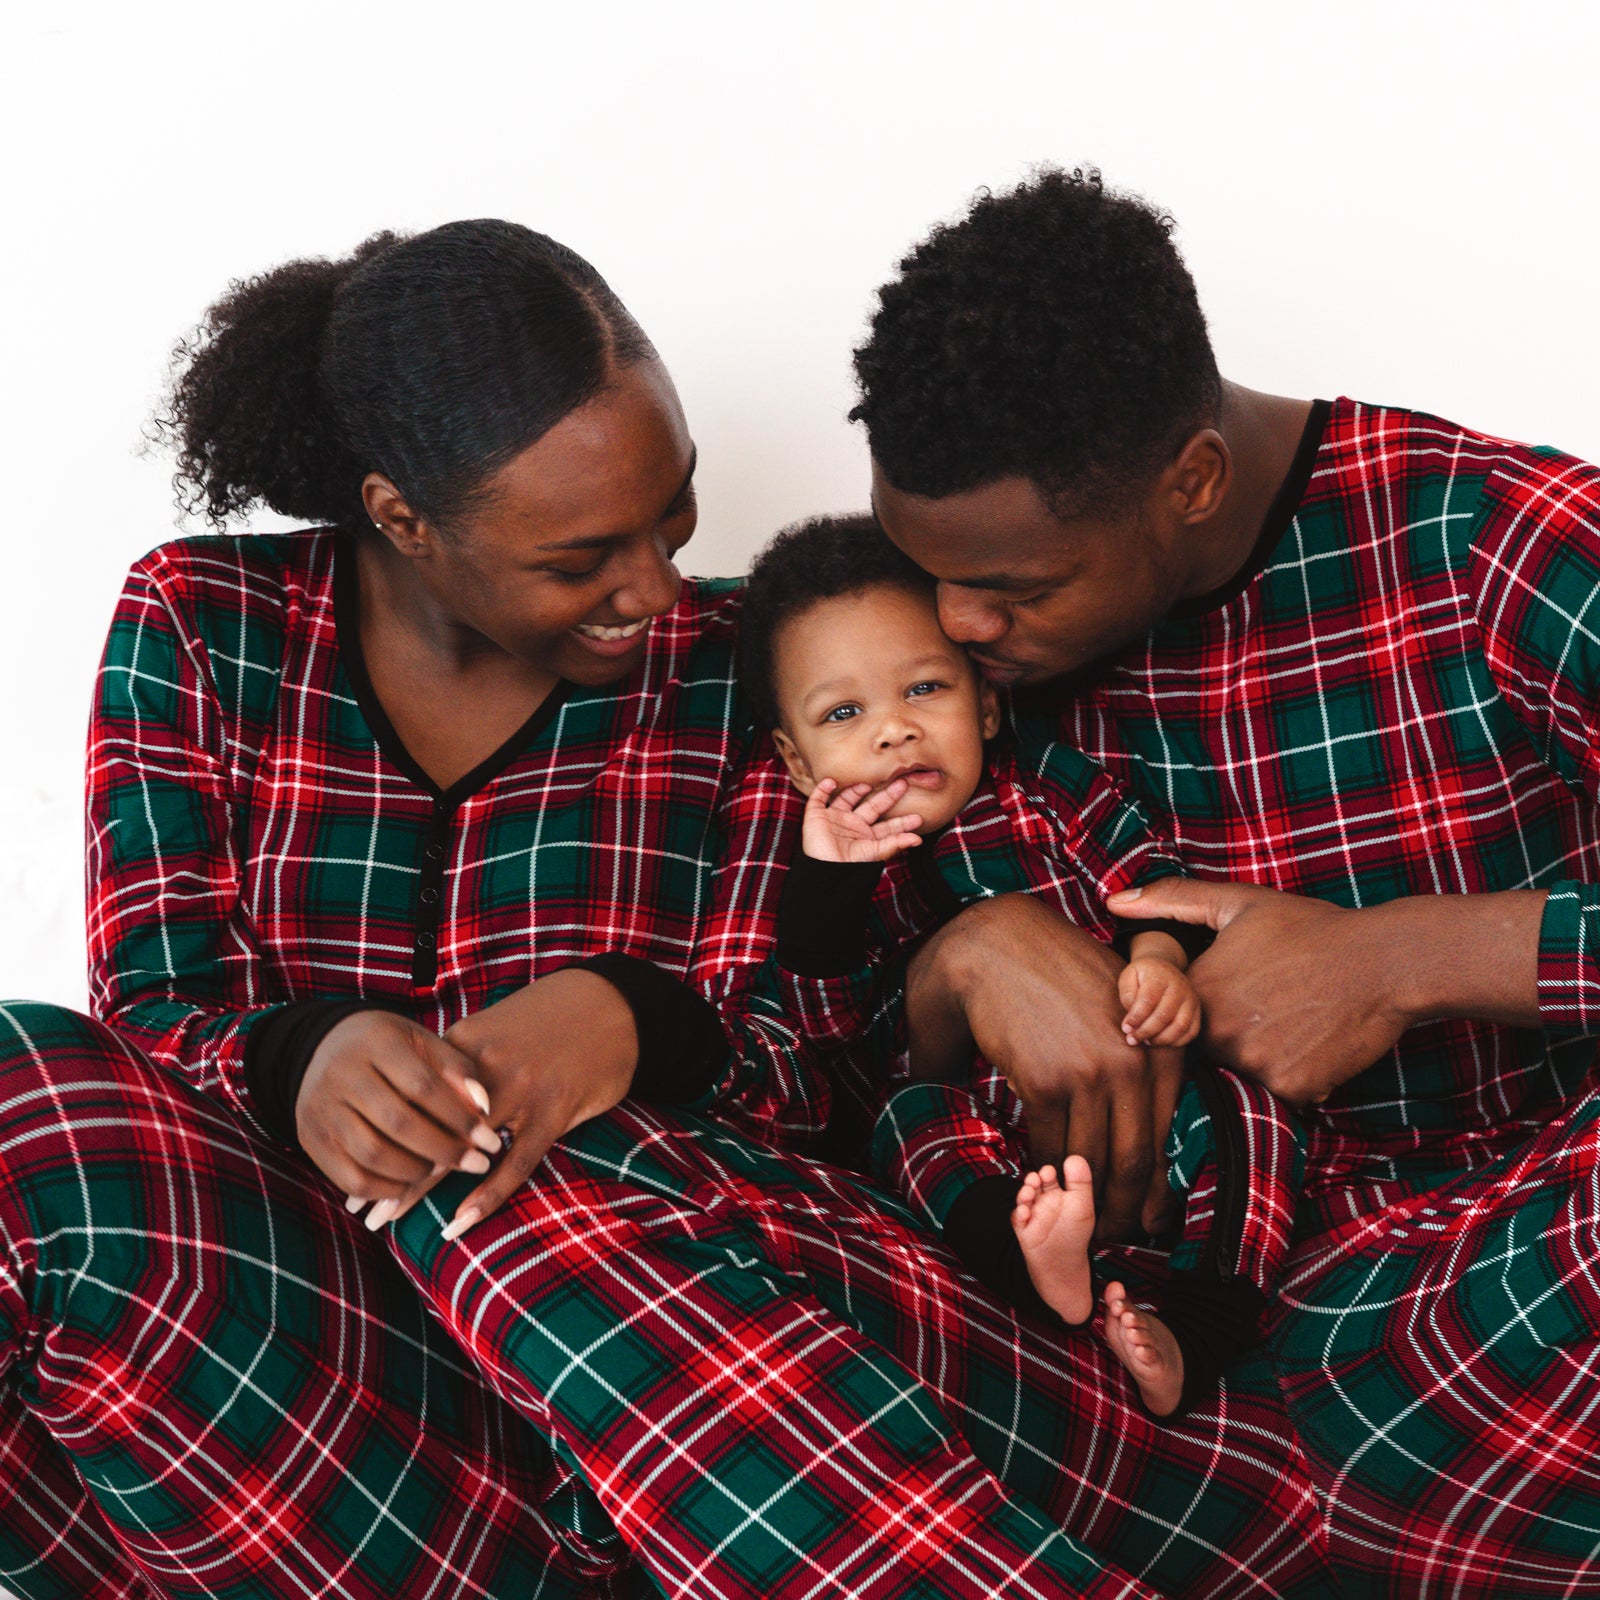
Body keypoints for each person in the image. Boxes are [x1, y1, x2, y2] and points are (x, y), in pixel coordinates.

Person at [0, 220, 1340, 1599]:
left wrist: (630, 1023)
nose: (655, 589)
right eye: (585, 557)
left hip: (741, 1410)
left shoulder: (747, 674)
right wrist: (305, 1058)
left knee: (514, 1156)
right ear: (401, 516)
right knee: (19, 1098)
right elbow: (155, 1020)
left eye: (675, 512)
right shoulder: (205, 624)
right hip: (359, 1421)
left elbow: (831, 1070)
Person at [850, 164, 1600, 1594]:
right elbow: (801, 1025)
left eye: (1016, 587)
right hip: (1123, 1365)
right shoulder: (925, 636)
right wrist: (963, 959)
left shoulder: (1497, 539)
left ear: (1189, 482)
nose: (956, 621)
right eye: (926, 566)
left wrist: (1403, 961)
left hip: (1498, 1321)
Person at [727, 510, 1305, 1419]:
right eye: (846, 713)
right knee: (911, 1126)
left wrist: (1155, 962)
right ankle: (1038, 1266)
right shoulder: (828, 868)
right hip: (985, 1126)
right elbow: (825, 1039)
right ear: (797, 763)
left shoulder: (1049, 792)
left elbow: (1152, 887)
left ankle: (1199, 1327)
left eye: (925, 689)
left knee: (1250, 1111)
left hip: (1150, 1091)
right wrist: (828, 891)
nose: (893, 732)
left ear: (986, 702)